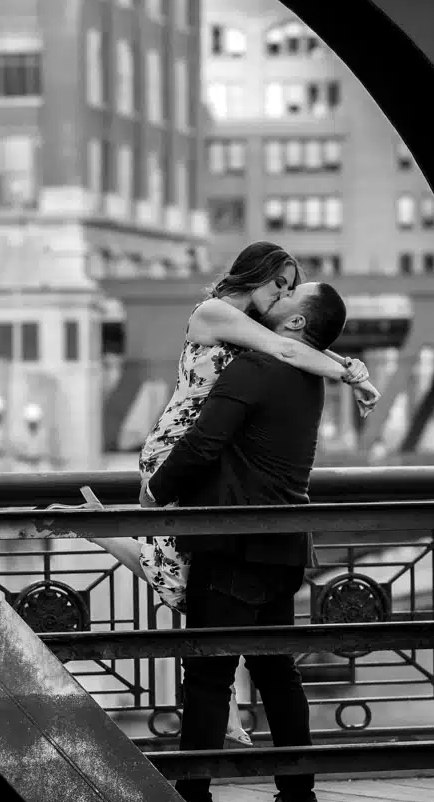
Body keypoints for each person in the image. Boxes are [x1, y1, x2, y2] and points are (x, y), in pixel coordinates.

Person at [71, 242, 373, 744]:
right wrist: (350, 373)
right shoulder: (215, 313)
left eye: (291, 289)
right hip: (178, 451)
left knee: (197, 595)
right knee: (198, 595)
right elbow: (288, 346)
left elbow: (296, 343)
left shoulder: (261, 341)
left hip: (210, 480)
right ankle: (242, 733)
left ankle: (222, 724)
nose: (283, 293)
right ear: (253, 275)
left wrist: (349, 366)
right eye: (280, 282)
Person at [145, 280, 350, 802]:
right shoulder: (308, 378)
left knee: (209, 674)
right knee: (276, 669)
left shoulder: (256, 369)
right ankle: (297, 795)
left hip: (231, 540)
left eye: (287, 297)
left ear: (298, 323)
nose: (272, 302)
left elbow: (202, 443)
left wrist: (153, 493)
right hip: (283, 544)